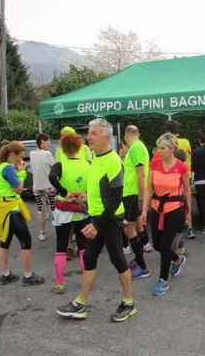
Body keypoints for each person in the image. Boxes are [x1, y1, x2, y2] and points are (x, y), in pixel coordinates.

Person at [57, 118, 135, 322]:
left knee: (118, 259)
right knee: (90, 258)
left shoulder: (113, 161)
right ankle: (80, 302)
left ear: (106, 137)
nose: (88, 137)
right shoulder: (94, 157)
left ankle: (129, 303)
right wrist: (85, 198)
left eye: (94, 133)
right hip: (96, 217)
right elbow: (101, 190)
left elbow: (116, 199)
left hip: (110, 219)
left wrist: (95, 224)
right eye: (89, 133)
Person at [139, 133, 192, 296]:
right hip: (157, 208)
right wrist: (144, 210)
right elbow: (148, 188)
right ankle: (177, 259)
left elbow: (187, 190)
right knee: (157, 245)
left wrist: (189, 213)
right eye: (158, 148)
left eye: (162, 148)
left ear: (172, 149)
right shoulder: (154, 164)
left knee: (165, 246)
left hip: (175, 209)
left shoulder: (182, 167)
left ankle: (163, 280)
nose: (158, 151)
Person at [0, 141, 45, 286]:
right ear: (11, 154)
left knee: (5, 241)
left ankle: (5, 274)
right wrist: (21, 173)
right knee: (26, 241)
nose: (21, 159)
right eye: (19, 156)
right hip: (12, 209)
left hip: (2, 208)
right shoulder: (8, 168)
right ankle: (28, 276)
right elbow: (18, 189)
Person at [49, 133, 90, 294]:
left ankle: (59, 284)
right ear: (80, 147)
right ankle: (86, 282)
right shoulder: (87, 164)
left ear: (63, 148)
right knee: (83, 245)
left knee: (61, 244)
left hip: (63, 208)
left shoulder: (59, 164)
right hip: (81, 208)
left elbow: (52, 177)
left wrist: (64, 192)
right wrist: (85, 194)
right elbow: (95, 182)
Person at [55, 126, 91, 260]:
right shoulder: (59, 151)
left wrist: (64, 192)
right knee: (72, 232)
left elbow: (90, 171)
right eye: (62, 135)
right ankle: (70, 246)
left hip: (75, 197)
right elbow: (57, 172)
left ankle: (73, 248)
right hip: (72, 197)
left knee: (74, 234)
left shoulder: (85, 149)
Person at [122, 125, 151, 280]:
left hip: (132, 193)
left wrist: (140, 197)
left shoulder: (136, 147)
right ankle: (138, 260)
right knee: (136, 227)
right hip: (131, 193)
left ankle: (142, 266)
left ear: (127, 134)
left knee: (129, 229)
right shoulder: (138, 147)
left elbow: (141, 174)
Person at [29, 133, 56, 242]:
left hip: (37, 186)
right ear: (42, 141)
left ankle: (42, 233)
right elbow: (54, 167)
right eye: (48, 140)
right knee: (54, 209)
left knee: (40, 209)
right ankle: (58, 232)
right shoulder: (47, 154)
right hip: (48, 186)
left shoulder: (31, 153)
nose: (49, 142)